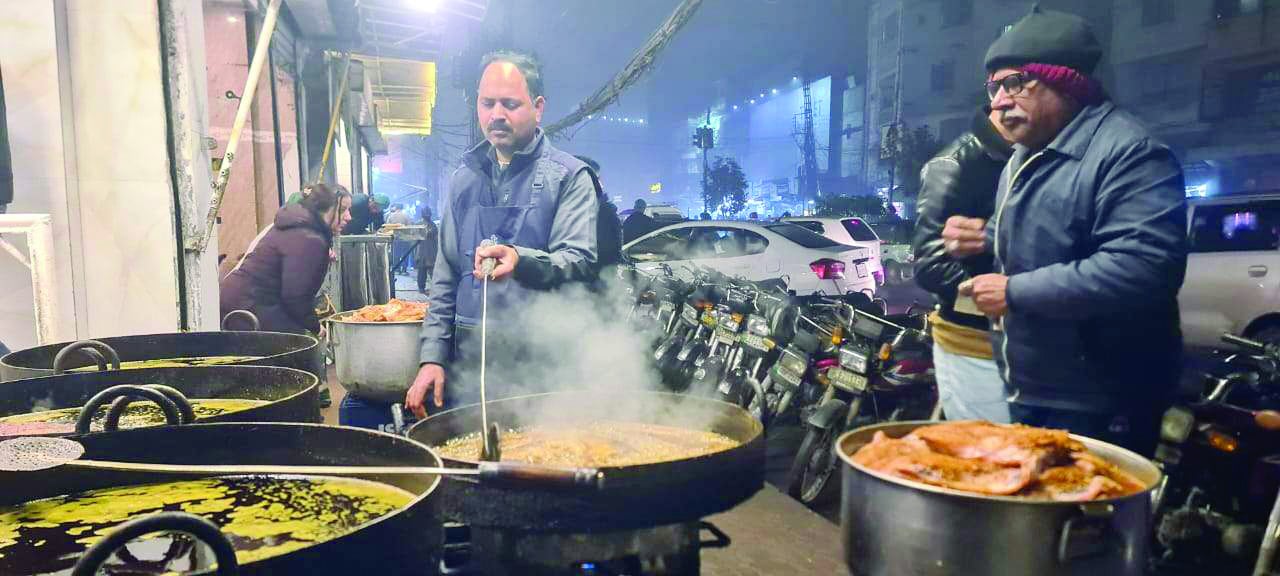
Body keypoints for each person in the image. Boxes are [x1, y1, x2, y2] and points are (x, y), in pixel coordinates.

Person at [942, 6, 1187, 455]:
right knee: (1037, 520)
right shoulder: (1025, 155)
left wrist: (1015, 291)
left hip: (1100, 400)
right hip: (1033, 388)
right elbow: (1041, 232)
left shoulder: (1130, 153)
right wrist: (980, 234)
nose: (998, 102)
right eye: (993, 88)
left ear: (1064, 80)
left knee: (1087, 521)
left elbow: (1144, 268)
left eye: (1014, 83)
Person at [406, 50, 601, 419]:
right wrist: (432, 358)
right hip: (469, 362)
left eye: (510, 104)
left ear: (538, 106)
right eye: (487, 103)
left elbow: (578, 261)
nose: (496, 115)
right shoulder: (464, 179)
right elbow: (446, 275)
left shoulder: (568, 178)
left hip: (541, 365)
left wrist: (521, 258)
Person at [913, 106, 1015, 423]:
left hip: (1023, 346)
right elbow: (931, 264)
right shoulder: (954, 164)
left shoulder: (1025, 157)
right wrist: (999, 301)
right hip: (971, 341)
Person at [220, 183, 352, 334]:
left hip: (241, 302)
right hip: (250, 306)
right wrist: (314, 327)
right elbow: (295, 297)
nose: (349, 217)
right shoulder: (308, 238)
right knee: (300, 347)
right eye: (342, 210)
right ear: (324, 210)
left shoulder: (296, 227)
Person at [415, 205, 439, 294]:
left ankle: (434, 288)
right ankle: (422, 288)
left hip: (429, 251)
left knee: (431, 272)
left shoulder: (431, 225)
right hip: (424, 251)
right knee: (423, 272)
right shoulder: (422, 225)